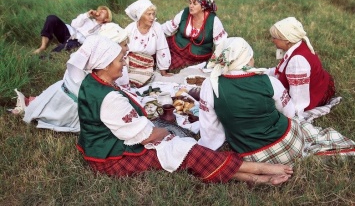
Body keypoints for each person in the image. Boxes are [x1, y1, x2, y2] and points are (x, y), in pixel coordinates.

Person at [76, 35, 293, 186]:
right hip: (113, 158)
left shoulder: (92, 82)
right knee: (186, 150)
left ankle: (251, 176)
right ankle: (257, 172)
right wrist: (166, 133)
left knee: (187, 150)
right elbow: (145, 137)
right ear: (104, 65)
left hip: (101, 146)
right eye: (119, 60)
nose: (123, 64)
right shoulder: (110, 99)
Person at [198, 37, 355, 165]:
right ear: (245, 59)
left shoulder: (210, 85)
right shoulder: (268, 81)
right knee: (309, 130)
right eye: (250, 56)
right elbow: (289, 112)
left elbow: (209, 127)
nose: (253, 59)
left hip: (251, 156)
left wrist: (212, 146)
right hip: (288, 143)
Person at [17, 28, 129, 132]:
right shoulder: (87, 78)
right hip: (66, 108)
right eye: (125, 45)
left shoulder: (94, 67)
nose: (127, 48)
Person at [266, 17, 335, 120]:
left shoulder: (297, 61)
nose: (272, 40)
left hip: (316, 94)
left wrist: (295, 115)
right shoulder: (298, 45)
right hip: (320, 82)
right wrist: (261, 73)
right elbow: (278, 70)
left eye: (275, 37)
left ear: (287, 40)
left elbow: (299, 98)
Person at [161, 0, 228, 71]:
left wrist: (218, 62)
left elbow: (221, 44)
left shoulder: (213, 21)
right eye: (190, 3)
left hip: (196, 57)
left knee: (169, 64)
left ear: (203, 7)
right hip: (174, 47)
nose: (191, 6)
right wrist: (154, 30)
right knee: (156, 54)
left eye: (194, 4)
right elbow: (168, 28)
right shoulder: (185, 13)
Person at [124, 0, 172, 87]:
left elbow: (162, 48)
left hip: (147, 66)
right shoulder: (131, 29)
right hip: (130, 64)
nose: (152, 17)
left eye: (153, 14)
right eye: (149, 14)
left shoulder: (156, 28)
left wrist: (163, 71)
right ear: (140, 15)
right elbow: (122, 49)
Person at [33, 6, 112, 54]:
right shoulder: (87, 19)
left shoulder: (104, 29)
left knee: (71, 45)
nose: (99, 12)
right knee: (52, 18)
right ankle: (43, 47)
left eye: (102, 12)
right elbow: (74, 24)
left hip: (78, 41)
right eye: (99, 10)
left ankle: (48, 56)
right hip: (69, 32)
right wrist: (87, 15)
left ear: (106, 19)